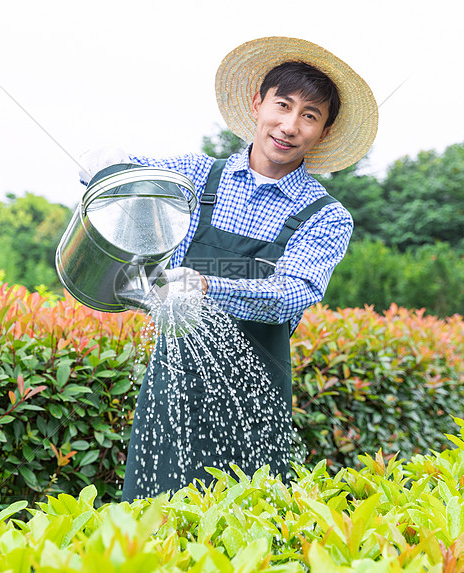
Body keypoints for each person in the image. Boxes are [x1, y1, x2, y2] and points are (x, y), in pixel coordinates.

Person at [79, 36, 378, 501]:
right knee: (152, 523)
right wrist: (105, 165)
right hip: (173, 390)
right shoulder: (199, 177)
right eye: (282, 105)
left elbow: (291, 294)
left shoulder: (325, 215)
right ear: (258, 104)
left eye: (310, 115)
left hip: (255, 401)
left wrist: (203, 284)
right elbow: (127, 176)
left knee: (249, 534)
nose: (290, 125)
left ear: (323, 131)